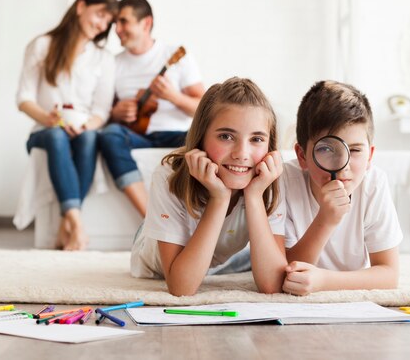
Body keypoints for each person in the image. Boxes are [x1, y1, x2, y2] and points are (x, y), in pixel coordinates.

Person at [130, 77, 287, 296]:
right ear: (201, 138)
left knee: (235, 260)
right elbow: (181, 287)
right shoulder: (168, 175)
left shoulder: (269, 178)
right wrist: (219, 198)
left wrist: (254, 196)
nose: (242, 154)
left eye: (256, 139)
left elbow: (272, 285)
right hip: (153, 252)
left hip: (219, 256)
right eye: (226, 136)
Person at [16, 0, 117, 250]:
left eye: (108, 21)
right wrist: (47, 118)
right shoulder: (42, 46)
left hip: (83, 129)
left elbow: (101, 111)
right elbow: (24, 98)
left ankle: (65, 226)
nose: (102, 24)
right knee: (56, 135)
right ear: (81, 7)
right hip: (45, 130)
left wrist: (85, 125)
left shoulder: (103, 59)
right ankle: (78, 227)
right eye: (100, 15)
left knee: (88, 138)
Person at [282, 80, 403, 295]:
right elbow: (286, 273)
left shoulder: (373, 184)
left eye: (355, 150)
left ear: (370, 156)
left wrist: (324, 281)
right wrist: (325, 219)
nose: (343, 165)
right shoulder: (285, 181)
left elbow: (389, 274)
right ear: (302, 156)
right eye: (327, 149)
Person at [98, 0, 205, 217]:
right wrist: (116, 114)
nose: (117, 29)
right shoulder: (114, 63)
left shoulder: (175, 56)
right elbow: (101, 113)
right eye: (115, 23)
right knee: (110, 134)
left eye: (123, 21)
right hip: (136, 136)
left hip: (176, 135)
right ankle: (149, 217)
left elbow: (203, 109)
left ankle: (197, 218)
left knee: (204, 142)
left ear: (145, 23)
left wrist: (173, 96)